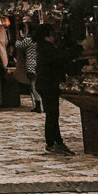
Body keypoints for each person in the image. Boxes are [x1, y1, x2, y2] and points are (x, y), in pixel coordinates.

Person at [34, 23, 82, 156]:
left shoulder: (45, 48)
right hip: (47, 84)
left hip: (46, 84)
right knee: (52, 115)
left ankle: (55, 142)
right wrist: (78, 49)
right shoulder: (46, 49)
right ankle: (53, 143)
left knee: (52, 114)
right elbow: (61, 57)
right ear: (47, 35)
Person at [15, 27, 42, 113]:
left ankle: (38, 105)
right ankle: (43, 105)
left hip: (31, 66)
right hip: (40, 65)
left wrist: (19, 38)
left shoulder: (29, 40)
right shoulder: (41, 41)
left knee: (34, 86)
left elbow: (18, 45)